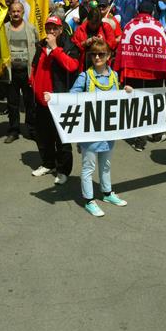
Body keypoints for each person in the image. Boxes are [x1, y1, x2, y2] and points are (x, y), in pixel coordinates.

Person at [52, 37, 131, 217]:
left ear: (109, 56)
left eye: (101, 54)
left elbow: (117, 99)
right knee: (89, 167)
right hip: (89, 131)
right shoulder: (85, 76)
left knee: (106, 165)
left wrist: (126, 92)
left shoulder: (114, 76)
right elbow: (72, 97)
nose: (97, 57)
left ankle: (107, 192)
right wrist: (54, 99)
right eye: (93, 54)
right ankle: (89, 200)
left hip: (108, 130)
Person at [30, 16, 79, 183]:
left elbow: (72, 67)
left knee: (62, 138)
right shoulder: (41, 45)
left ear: (60, 30)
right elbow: (35, 66)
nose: (51, 32)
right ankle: (48, 163)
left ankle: (63, 170)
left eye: (54, 28)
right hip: (41, 100)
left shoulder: (69, 46)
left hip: (59, 101)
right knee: (43, 135)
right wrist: (33, 83)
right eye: (48, 28)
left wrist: (56, 49)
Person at [116, 0, 166, 151]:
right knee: (154, 103)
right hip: (155, 73)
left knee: (137, 105)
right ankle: (157, 132)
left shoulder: (129, 26)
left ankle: (140, 140)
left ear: (138, 11)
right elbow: (165, 51)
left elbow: (121, 50)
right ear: (152, 12)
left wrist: (119, 71)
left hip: (134, 73)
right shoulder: (159, 27)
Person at [2, 0, 38, 143]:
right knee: (12, 103)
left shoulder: (31, 28)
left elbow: (37, 47)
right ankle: (14, 130)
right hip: (11, 72)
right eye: (13, 11)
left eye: (18, 11)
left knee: (30, 102)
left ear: (23, 12)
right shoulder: (4, 28)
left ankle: (31, 128)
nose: (16, 13)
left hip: (27, 71)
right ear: (10, 13)